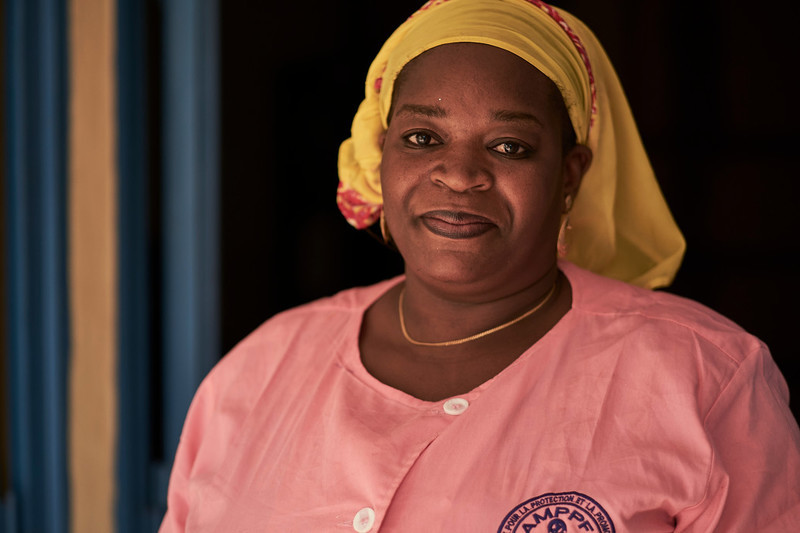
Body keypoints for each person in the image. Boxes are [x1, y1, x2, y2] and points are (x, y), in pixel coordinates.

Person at [159, 0, 800, 531]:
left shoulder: (706, 379)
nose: (461, 174)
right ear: (381, 154)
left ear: (569, 176)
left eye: (509, 146)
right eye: (422, 138)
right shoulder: (255, 375)